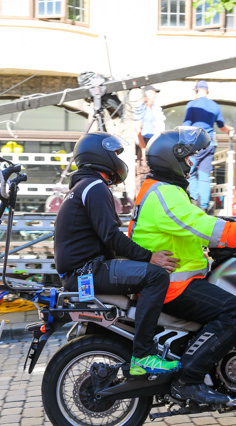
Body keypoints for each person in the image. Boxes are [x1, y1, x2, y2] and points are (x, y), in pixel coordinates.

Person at [129, 127, 236, 405]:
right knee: (235, 312)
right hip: (173, 285)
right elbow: (199, 224)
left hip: (176, 279)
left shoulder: (164, 190)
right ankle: (189, 380)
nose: (191, 163)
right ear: (172, 158)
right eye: (187, 158)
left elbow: (193, 225)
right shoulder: (163, 193)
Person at [54, 131, 182, 376]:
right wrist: (149, 257)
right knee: (156, 276)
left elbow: (107, 240)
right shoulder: (94, 186)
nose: (117, 158)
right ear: (100, 155)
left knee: (141, 274)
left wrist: (134, 258)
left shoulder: (83, 186)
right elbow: (111, 236)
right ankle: (143, 356)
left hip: (82, 270)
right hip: (88, 271)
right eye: (114, 153)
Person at [183, 80, 235, 212]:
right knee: (204, 173)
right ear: (207, 91)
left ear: (197, 91)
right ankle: (204, 205)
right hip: (210, 143)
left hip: (195, 144)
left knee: (191, 172)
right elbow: (222, 127)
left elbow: (186, 126)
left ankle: (194, 199)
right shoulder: (215, 106)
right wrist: (230, 129)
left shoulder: (192, 105)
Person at [133, 86, 166, 192]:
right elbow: (137, 130)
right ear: (146, 93)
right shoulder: (141, 108)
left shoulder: (156, 109)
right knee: (143, 170)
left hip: (155, 142)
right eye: (153, 93)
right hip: (145, 142)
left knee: (154, 171)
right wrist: (143, 149)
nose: (155, 95)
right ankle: (139, 199)